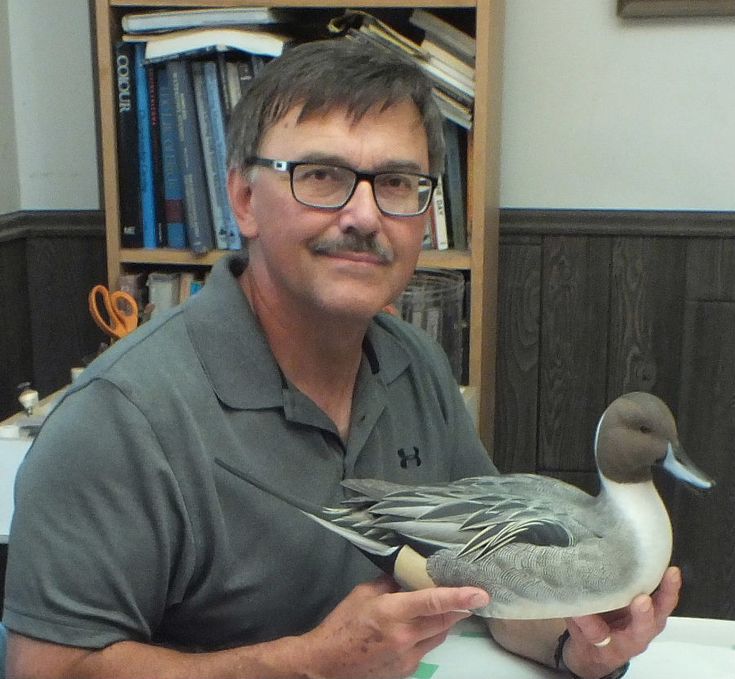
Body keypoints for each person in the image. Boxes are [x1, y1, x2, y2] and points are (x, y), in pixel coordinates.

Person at [3, 38, 679, 679]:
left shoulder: (417, 364)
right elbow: (45, 670)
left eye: (395, 182)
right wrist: (310, 662)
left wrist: (579, 645)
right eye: (320, 175)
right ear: (243, 199)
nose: (363, 214)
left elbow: (478, 586)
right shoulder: (116, 421)